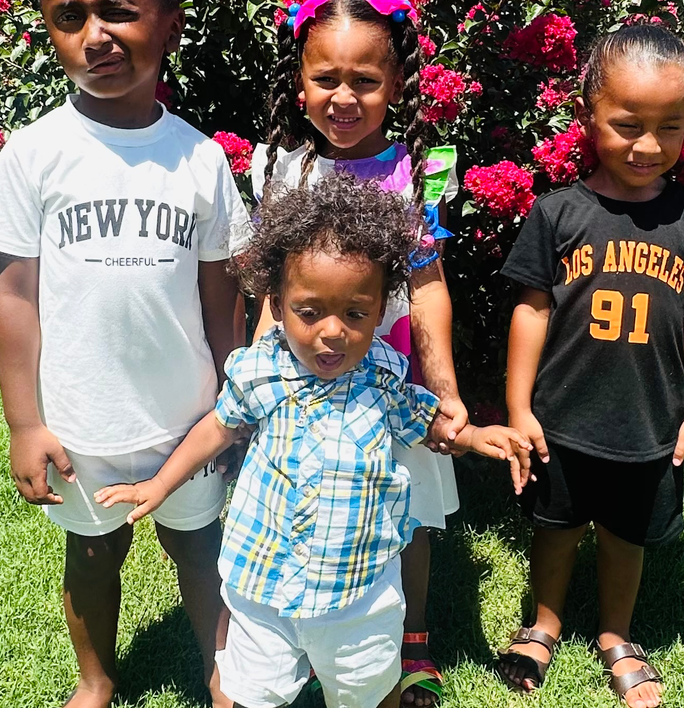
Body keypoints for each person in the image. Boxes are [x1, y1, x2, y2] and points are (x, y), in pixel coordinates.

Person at [93, 175, 533, 708]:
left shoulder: (384, 375)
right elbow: (218, 426)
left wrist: (476, 435)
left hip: (360, 591)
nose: (333, 331)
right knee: (251, 693)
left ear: (379, 310)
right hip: (264, 586)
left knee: (370, 689)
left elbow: (428, 423)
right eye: (309, 311)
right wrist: (160, 485)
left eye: (355, 313)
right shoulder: (260, 371)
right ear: (278, 305)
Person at [0, 0, 249, 708]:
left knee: (199, 548)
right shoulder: (35, 153)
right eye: (70, 15)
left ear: (170, 25)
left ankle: (221, 672)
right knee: (92, 556)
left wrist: (235, 403)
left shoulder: (200, 160)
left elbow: (222, 296)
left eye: (118, 10)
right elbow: (14, 295)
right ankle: (96, 679)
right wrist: (25, 423)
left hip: (187, 418)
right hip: (81, 420)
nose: (96, 34)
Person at [496, 25, 684, 707]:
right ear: (588, 115)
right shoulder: (557, 214)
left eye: (670, 127)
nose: (648, 145)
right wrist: (518, 408)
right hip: (562, 416)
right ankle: (544, 623)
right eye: (628, 125)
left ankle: (615, 634)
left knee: (626, 535)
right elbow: (532, 311)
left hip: (649, 423)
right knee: (555, 527)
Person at [249, 0, 465, 707]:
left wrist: (443, 390)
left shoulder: (419, 173)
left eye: (365, 81)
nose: (344, 97)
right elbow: (272, 292)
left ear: (395, 83)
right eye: (326, 79)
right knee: (309, 497)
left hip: (392, 378)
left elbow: (428, 287)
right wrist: (254, 377)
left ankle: (412, 637)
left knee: (407, 508)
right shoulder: (284, 169)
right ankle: (317, 631)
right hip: (303, 380)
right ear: (300, 82)